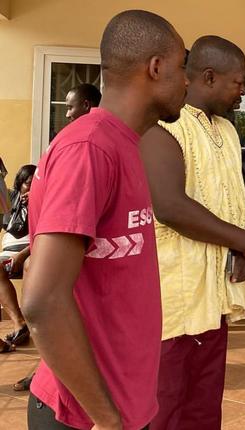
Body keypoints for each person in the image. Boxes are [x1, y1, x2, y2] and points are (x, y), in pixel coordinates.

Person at [22, 10, 186, 430]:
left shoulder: (124, 144)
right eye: (182, 67)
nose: (186, 81)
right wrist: (108, 419)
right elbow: (42, 301)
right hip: (83, 417)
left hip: (121, 408)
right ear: (156, 67)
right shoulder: (90, 148)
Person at [138, 35, 245, 430]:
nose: (243, 92)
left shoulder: (227, 130)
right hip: (172, 301)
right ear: (208, 77)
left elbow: (237, 192)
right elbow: (170, 206)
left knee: (203, 408)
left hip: (212, 299)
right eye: (239, 82)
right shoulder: (161, 126)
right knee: (164, 408)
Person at [0, 165, 36, 353]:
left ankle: (29, 322)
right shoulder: (10, 198)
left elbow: (45, 235)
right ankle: (19, 323)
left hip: (32, 251)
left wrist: (22, 255)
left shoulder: (44, 200)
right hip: (7, 254)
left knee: (32, 266)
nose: (30, 189)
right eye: (27, 184)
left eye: (35, 185)